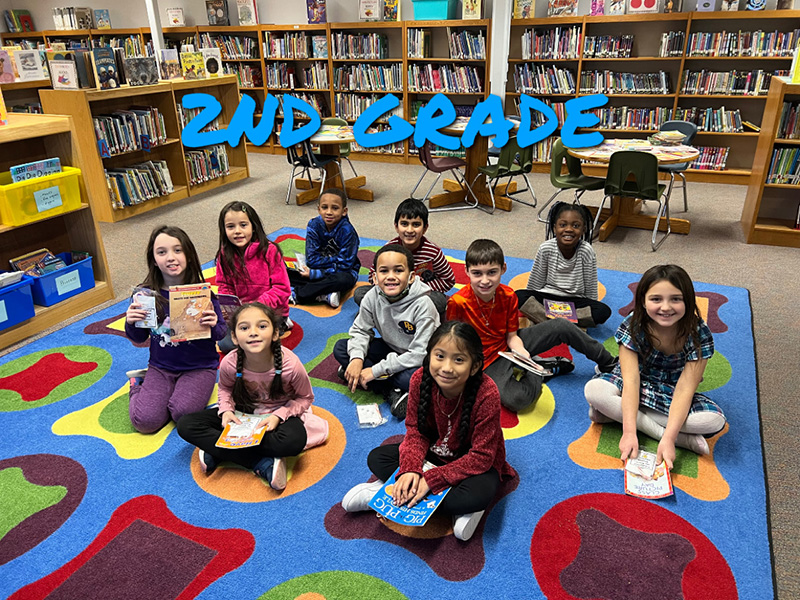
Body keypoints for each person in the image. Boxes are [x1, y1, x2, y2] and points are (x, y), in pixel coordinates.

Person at [341, 321, 517, 542]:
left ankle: (395, 492)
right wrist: (409, 469)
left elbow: (481, 457)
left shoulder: (487, 393)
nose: (446, 367)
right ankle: (397, 489)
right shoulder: (420, 379)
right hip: (433, 455)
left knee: (480, 493)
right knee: (377, 458)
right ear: (429, 355)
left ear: (474, 366)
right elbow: (415, 432)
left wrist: (431, 480)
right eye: (439, 356)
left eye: (459, 360)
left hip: (470, 465)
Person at [447, 239, 617, 412]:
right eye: (477, 273)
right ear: (467, 271)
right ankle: (542, 369)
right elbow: (454, 344)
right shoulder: (458, 302)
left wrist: (521, 352)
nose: (485, 281)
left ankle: (610, 363)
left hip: (508, 344)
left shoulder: (508, 296)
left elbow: (512, 336)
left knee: (561, 325)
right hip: (484, 362)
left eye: (492, 272)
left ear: (503, 269)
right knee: (518, 399)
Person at [584, 265, 726, 469]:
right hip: (634, 382)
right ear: (643, 300)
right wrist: (629, 432)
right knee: (594, 390)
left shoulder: (698, 333)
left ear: (688, 300)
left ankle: (613, 413)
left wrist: (668, 440)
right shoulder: (633, 325)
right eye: (656, 299)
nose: (666, 307)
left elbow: (686, 388)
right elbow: (631, 380)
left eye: (676, 299)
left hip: (672, 389)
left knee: (713, 421)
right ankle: (679, 438)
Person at [177, 303, 329, 490]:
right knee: (186, 425)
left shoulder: (291, 365)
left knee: (293, 441)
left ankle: (218, 449)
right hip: (243, 414)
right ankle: (260, 463)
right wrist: (225, 411)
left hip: (277, 417)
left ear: (275, 334)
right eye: (244, 328)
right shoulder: (230, 363)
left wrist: (278, 416)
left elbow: (305, 398)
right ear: (234, 337)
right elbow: (224, 389)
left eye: (262, 326)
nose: (253, 332)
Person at [124, 225, 226, 433]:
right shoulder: (146, 295)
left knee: (183, 414)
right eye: (162, 252)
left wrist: (214, 323)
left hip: (200, 366)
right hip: (161, 367)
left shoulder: (202, 293)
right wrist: (131, 321)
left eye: (177, 250)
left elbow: (221, 334)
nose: (170, 257)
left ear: (188, 254)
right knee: (145, 422)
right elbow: (138, 337)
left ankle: (169, 394)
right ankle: (137, 384)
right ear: (153, 259)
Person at [333, 244, 440, 419]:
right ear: (375, 277)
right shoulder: (372, 296)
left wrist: (375, 371)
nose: (391, 277)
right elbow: (360, 330)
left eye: (398, 270)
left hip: (417, 360)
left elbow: (420, 354)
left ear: (411, 277)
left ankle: (369, 379)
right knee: (341, 348)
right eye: (384, 271)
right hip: (392, 349)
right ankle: (391, 389)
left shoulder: (423, 305)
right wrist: (356, 358)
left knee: (421, 380)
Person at [516, 202, 611, 327]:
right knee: (517, 296)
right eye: (563, 225)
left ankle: (546, 320)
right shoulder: (546, 248)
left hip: (574, 301)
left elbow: (591, 287)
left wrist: (589, 306)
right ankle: (568, 324)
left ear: (584, 229)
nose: (569, 229)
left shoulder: (587, 251)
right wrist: (529, 300)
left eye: (576, 225)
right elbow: (535, 283)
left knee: (603, 311)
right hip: (548, 297)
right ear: (555, 228)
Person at [354, 198, 455, 316]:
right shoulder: (388, 249)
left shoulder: (433, 252)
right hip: (391, 293)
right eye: (404, 224)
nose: (410, 230)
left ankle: (390, 313)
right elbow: (373, 276)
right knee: (360, 293)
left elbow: (448, 279)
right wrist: (390, 288)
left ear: (425, 228)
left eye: (416, 224)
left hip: (419, 296)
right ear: (396, 226)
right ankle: (400, 312)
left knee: (440, 301)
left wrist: (421, 289)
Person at [215, 201, 291, 352]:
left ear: (253, 226)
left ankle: (282, 323)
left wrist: (256, 306)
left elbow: (282, 289)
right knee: (225, 344)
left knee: (253, 341)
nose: (237, 231)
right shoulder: (224, 255)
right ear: (224, 230)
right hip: (241, 313)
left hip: (269, 311)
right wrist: (230, 306)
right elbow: (224, 286)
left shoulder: (270, 251)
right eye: (231, 226)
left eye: (243, 225)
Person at [287, 188, 360, 308]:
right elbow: (312, 260)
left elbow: (344, 266)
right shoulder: (314, 225)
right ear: (319, 209)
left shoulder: (348, 232)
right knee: (284, 271)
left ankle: (299, 294)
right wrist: (316, 270)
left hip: (342, 273)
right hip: (317, 270)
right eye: (325, 207)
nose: (329, 212)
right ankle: (325, 293)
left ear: (344, 211)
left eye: (335, 208)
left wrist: (315, 274)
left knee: (342, 280)